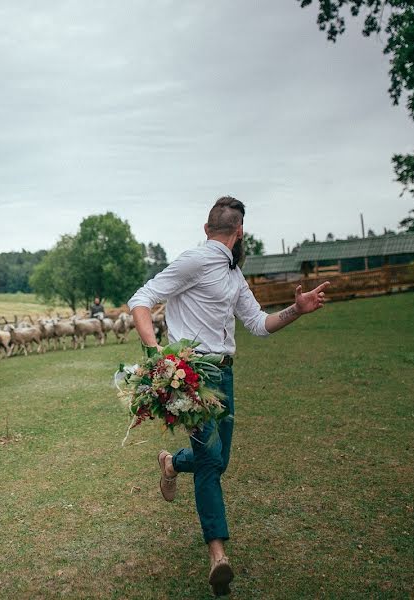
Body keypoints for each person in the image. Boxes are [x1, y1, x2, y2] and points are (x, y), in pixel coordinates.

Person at [127, 196, 330, 597]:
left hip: (226, 375)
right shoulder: (193, 261)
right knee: (208, 461)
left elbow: (257, 323)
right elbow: (141, 300)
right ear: (240, 233)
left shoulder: (235, 276)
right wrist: (158, 357)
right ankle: (218, 555)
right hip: (191, 376)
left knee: (219, 459)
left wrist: (296, 309)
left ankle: (170, 463)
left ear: (211, 228)